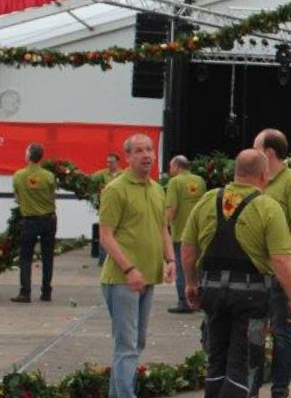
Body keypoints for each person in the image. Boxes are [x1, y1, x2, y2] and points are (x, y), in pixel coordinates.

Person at [181, 149, 291, 398]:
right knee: (243, 364)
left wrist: (191, 284)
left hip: (212, 292)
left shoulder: (207, 200)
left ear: (235, 171)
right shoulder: (268, 207)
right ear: (263, 174)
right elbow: (280, 260)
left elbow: (187, 250)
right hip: (250, 298)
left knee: (216, 361)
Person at [97, 134, 175, 398]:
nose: (146, 155)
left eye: (150, 149)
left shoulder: (157, 189)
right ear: (127, 157)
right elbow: (106, 236)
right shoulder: (116, 190)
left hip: (148, 278)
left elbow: (163, 228)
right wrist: (129, 269)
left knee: (135, 343)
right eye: (139, 151)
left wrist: (171, 259)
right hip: (121, 280)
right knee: (127, 345)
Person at [251, 129, 291, 398]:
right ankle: (251, 386)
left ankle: (279, 389)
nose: (253, 153)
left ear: (269, 153)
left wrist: (286, 263)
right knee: (253, 329)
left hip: (281, 267)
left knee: (280, 331)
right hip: (255, 268)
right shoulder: (258, 181)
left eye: (256, 148)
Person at [12, 143, 57, 303]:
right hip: (48, 219)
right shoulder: (49, 176)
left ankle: (25, 293)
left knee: (25, 257)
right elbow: (52, 197)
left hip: (29, 220)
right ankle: (46, 292)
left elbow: (17, 199)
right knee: (47, 256)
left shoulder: (18, 175)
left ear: (29, 156)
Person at [164, 155, 206, 314]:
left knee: (183, 268)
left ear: (176, 166)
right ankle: (200, 300)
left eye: (170, 166)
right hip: (200, 232)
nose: (169, 170)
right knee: (198, 267)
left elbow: (171, 208)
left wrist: (163, 228)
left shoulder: (175, 182)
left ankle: (185, 302)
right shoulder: (200, 181)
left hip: (181, 232)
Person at [94, 152, 123, 265]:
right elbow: (91, 181)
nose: (109, 164)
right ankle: (103, 259)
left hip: (120, 209)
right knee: (105, 233)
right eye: (108, 162)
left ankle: (118, 258)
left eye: (111, 162)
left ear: (117, 162)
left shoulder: (123, 175)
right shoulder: (101, 175)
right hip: (106, 209)